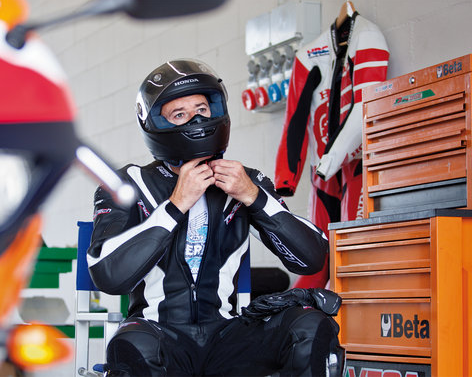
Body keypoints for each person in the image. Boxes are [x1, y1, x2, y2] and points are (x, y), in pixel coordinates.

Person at [87, 59, 344, 376]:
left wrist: (253, 196)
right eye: (179, 114)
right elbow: (107, 275)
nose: (195, 119)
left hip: (228, 336)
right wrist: (176, 204)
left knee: (312, 328)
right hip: (158, 333)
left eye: (202, 109)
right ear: (157, 124)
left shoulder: (246, 180)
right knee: (130, 345)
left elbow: (312, 258)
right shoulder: (128, 184)